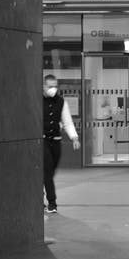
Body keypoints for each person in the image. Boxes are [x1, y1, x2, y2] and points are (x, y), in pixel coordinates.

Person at [42, 75, 80, 214]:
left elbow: (67, 121)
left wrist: (74, 138)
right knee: (47, 171)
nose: (53, 89)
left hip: (56, 141)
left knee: (51, 172)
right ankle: (52, 202)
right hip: (43, 140)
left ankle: (38, 195)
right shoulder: (38, 101)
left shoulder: (61, 101)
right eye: (50, 86)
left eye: (55, 86)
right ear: (44, 86)